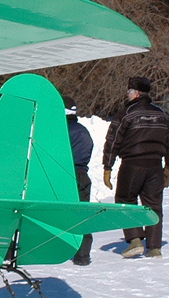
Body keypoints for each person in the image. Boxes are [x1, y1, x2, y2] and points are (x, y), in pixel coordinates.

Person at [102, 76, 169, 258]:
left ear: (136, 93)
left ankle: (135, 240)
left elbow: (112, 141)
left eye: (129, 92)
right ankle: (154, 248)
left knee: (125, 200)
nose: (128, 95)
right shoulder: (162, 115)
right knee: (154, 206)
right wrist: (167, 168)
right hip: (155, 166)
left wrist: (107, 167)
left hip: (132, 165)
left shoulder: (126, 114)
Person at [64, 95, 94, 265]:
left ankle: (57, 249)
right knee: (82, 215)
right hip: (82, 174)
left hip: (65, 176)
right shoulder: (83, 131)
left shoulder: (60, 131)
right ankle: (83, 255)